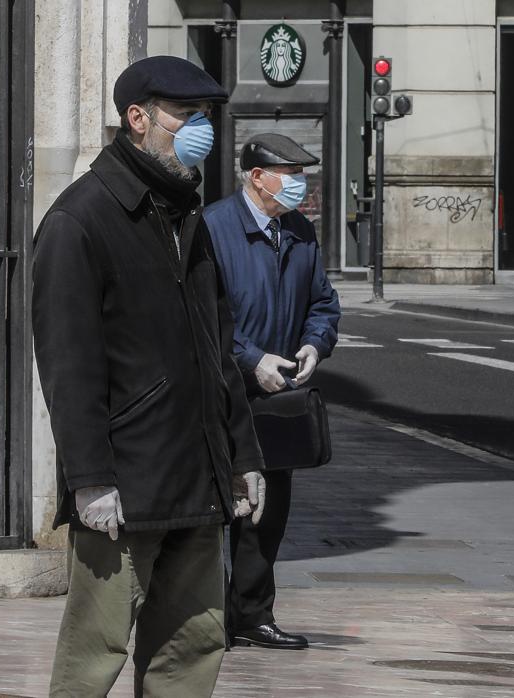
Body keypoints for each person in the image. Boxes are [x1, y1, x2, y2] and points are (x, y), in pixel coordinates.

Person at [32, 55, 266, 697]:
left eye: (205, 118)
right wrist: (89, 479)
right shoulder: (79, 221)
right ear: (137, 119)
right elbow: (68, 364)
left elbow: (218, 352)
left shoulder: (186, 214)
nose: (200, 131)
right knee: (95, 649)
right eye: (185, 116)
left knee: (195, 645)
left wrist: (243, 454)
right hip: (126, 486)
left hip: (199, 476)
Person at [203, 133, 341, 650]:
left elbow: (323, 303)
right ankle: (205, 619)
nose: (300, 182)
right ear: (257, 176)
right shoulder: (214, 228)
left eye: (302, 172)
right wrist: (251, 359)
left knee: (267, 515)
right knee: (216, 510)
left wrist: (313, 345)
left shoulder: (300, 231)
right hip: (221, 394)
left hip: (276, 400)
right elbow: (202, 318)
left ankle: (252, 615)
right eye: (290, 172)